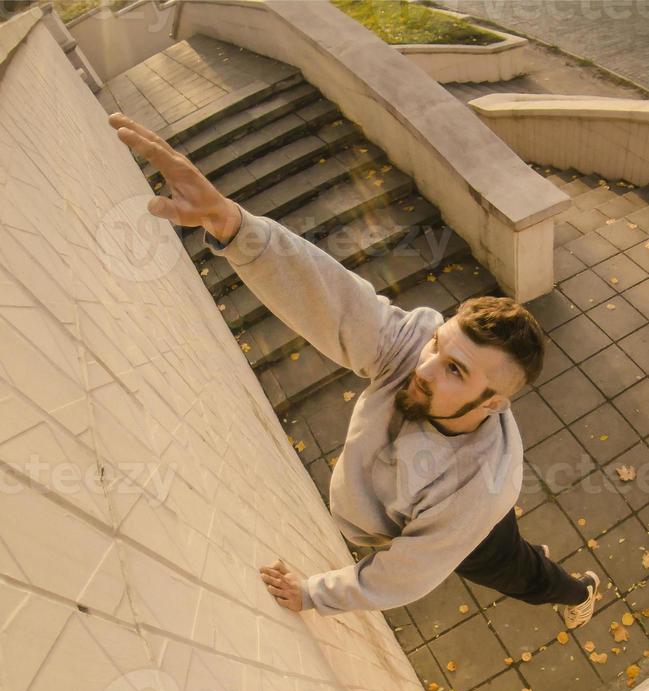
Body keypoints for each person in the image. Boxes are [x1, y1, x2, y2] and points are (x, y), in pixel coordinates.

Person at [108, 112, 600, 627]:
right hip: (434, 519)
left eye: (455, 370)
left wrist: (312, 594)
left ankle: (576, 591)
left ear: (494, 403)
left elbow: (403, 576)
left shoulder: (475, 489)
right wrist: (231, 225)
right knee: (487, 540)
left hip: (470, 528)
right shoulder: (416, 351)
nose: (425, 369)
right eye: (438, 345)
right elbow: (337, 301)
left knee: (518, 572)